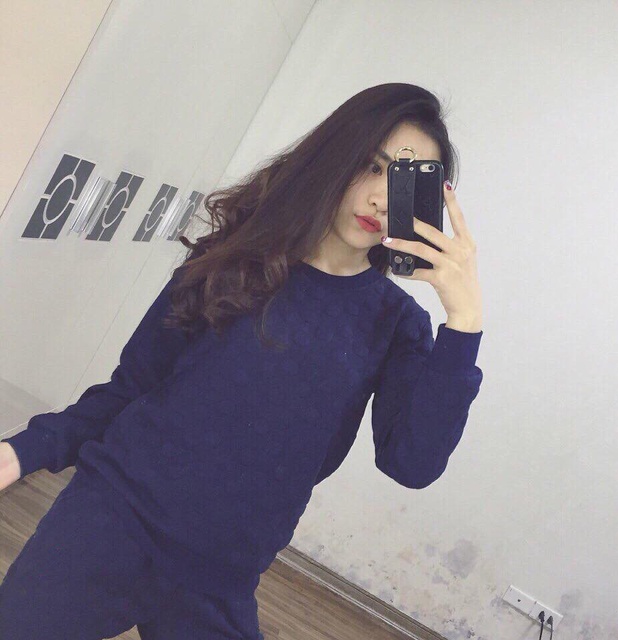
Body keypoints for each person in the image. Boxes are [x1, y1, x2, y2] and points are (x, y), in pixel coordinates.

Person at [0, 82, 483, 640]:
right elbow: (130, 389)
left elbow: (411, 465)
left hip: (222, 578)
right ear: (337, 155)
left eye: (400, 182)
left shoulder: (398, 325)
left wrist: (464, 322)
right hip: (108, 523)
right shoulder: (235, 259)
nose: (380, 198)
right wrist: (23, 450)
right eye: (371, 166)